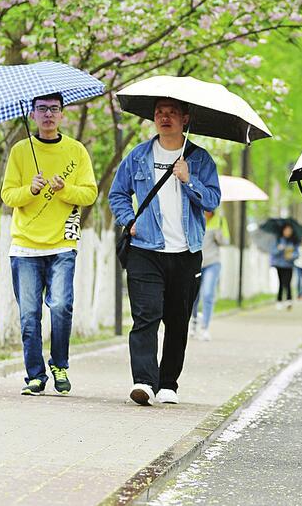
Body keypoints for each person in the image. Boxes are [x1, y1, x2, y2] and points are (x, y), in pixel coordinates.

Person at [108, 97, 220, 406]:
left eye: (171, 113)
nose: (164, 117)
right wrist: (128, 220)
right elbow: (117, 193)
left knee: (177, 319)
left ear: (186, 118)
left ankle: (168, 382)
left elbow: (212, 201)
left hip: (186, 251)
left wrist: (189, 179)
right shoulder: (138, 156)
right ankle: (143, 380)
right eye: (159, 113)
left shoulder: (200, 159)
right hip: (146, 248)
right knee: (146, 315)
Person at [1, 92, 98, 396]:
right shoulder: (19, 151)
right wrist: (29, 190)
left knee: (61, 306)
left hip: (62, 244)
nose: (47, 115)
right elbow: (7, 196)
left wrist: (65, 188)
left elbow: (89, 194)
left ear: (62, 114)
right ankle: (34, 375)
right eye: (41, 109)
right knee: (29, 314)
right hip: (25, 247)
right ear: (32, 114)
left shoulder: (76, 151)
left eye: (53, 109)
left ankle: (59, 363)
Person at [191, 210, 229, 341]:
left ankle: (204, 328)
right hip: (195, 263)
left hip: (212, 263)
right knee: (193, 296)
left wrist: (218, 235)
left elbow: (226, 242)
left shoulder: (220, 220)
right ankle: (193, 322)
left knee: (207, 294)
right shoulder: (194, 215)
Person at [270, 224, 299, 310]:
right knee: (281, 283)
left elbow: (297, 253)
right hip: (279, 264)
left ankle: (289, 300)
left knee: (288, 283)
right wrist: (279, 248)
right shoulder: (278, 240)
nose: (288, 232)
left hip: (289, 265)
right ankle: (279, 300)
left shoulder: (293, 241)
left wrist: (292, 255)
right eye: (286, 230)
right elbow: (273, 252)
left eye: (289, 230)